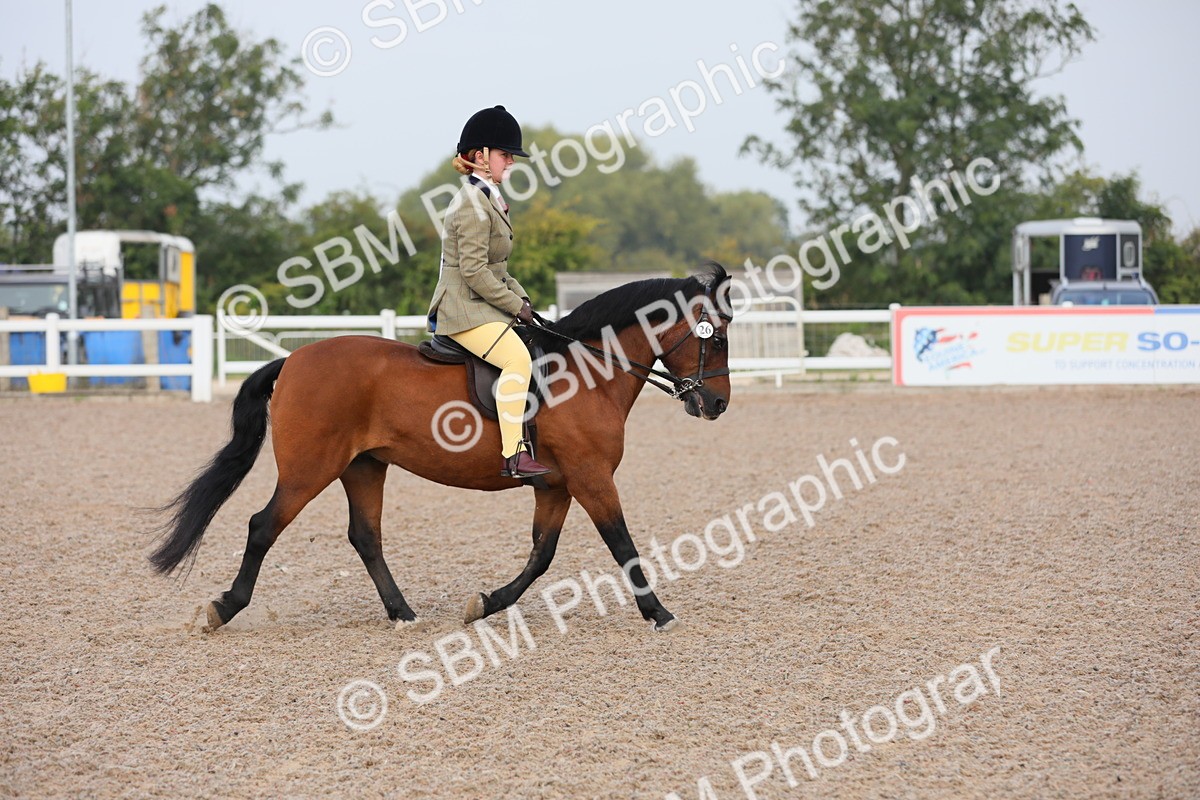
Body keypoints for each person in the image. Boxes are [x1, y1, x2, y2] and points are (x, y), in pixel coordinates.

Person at [427, 105, 552, 479]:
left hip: (480, 303)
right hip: (462, 309)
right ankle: (513, 453)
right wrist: (514, 305)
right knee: (517, 360)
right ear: (480, 157)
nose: (510, 162)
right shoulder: (470, 205)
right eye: (504, 154)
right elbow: (475, 271)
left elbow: (499, 269)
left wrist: (524, 300)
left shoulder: (488, 199)